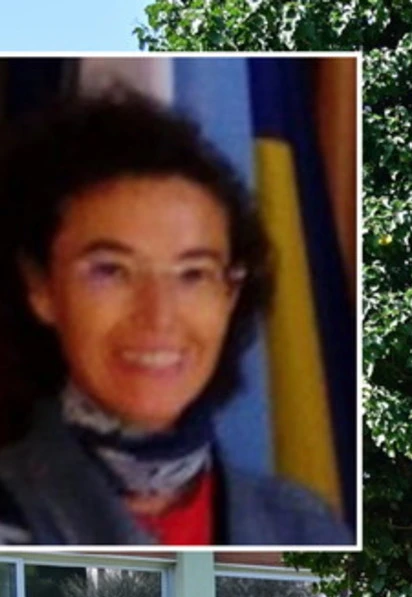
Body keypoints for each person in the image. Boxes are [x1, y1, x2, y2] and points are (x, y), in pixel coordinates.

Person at [0, 90, 351, 547]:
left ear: (231, 293)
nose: (159, 317)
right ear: (42, 288)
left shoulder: (307, 530)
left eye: (193, 274)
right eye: (111, 271)